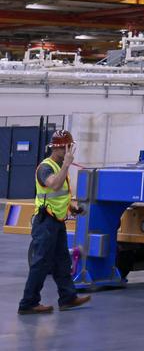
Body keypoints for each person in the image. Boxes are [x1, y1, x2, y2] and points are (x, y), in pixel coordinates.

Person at [18, 129, 90, 315]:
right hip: (45, 222)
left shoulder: (59, 167)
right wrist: (66, 165)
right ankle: (28, 303)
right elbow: (55, 185)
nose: (69, 151)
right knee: (41, 262)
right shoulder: (46, 168)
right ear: (57, 148)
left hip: (57, 221)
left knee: (62, 261)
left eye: (70, 147)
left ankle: (68, 298)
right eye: (67, 147)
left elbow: (59, 195)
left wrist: (72, 208)